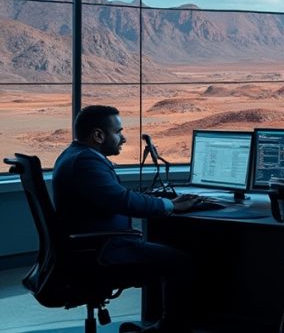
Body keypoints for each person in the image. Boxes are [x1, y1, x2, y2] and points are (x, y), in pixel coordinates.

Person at [52, 105, 200, 332]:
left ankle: (161, 324)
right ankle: (170, 328)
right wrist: (170, 204)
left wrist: (157, 201)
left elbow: (113, 196)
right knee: (180, 261)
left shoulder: (75, 154)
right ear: (98, 135)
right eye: (118, 132)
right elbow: (121, 201)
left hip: (90, 246)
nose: (123, 138)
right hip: (102, 251)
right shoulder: (86, 162)